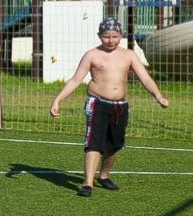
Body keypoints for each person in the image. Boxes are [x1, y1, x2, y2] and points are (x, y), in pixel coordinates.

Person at [51, 17, 170, 196]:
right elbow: (76, 80)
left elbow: (145, 78)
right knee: (94, 143)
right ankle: (87, 184)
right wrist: (58, 99)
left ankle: (104, 176)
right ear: (99, 36)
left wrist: (158, 96)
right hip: (97, 103)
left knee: (115, 144)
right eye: (107, 36)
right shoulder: (92, 55)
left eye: (115, 36)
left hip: (120, 106)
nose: (111, 40)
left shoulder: (128, 55)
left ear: (120, 35)